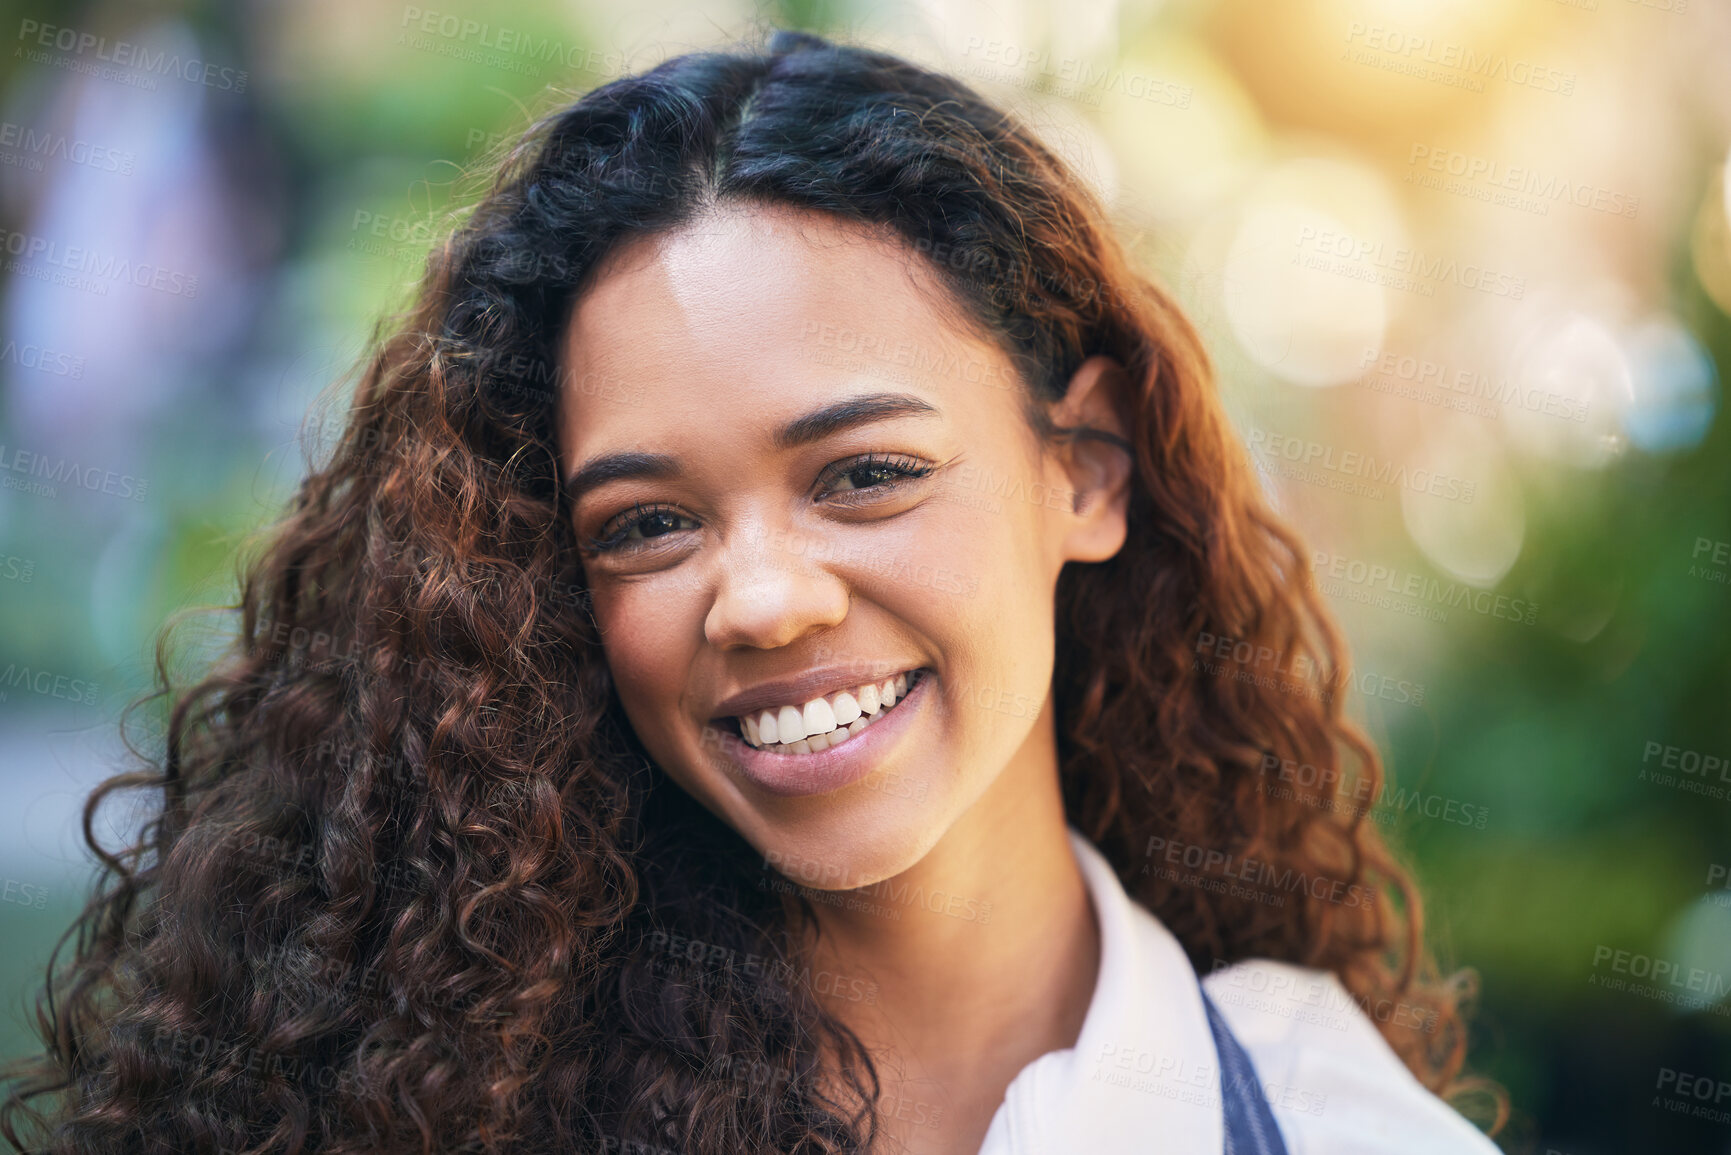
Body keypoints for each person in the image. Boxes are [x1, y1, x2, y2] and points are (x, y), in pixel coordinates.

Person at [2, 29, 1505, 1155]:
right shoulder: (426, 1109)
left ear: (1089, 468)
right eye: (649, 523)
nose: (764, 601)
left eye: (864, 475)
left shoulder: (1333, 1128)